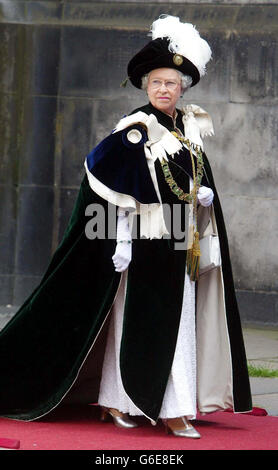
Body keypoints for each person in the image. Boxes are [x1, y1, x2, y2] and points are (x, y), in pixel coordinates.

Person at [0, 15, 252, 439]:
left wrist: (204, 197)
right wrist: (118, 241)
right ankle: (168, 409)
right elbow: (107, 186)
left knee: (180, 322)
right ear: (145, 87)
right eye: (156, 83)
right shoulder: (135, 130)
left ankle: (121, 402)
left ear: (182, 87)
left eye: (171, 83)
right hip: (144, 242)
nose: (163, 90)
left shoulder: (188, 127)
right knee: (144, 323)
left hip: (180, 240)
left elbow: (191, 180)